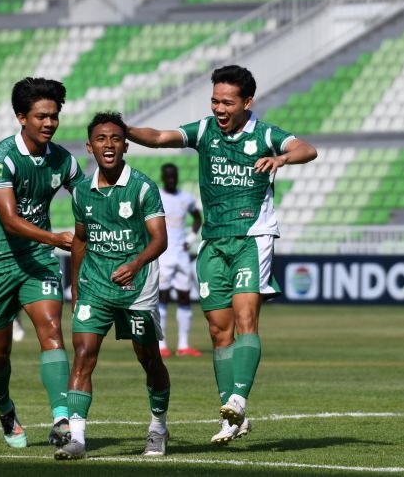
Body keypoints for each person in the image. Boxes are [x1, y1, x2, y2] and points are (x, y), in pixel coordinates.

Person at [127, 65, 317, 445]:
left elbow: (306, 149)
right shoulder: (205, 131)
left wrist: (280, 159)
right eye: (215, 100)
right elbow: (161, 137)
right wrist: (124, 130)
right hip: (213, 242)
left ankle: (239, 400)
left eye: (227, 102)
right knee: (218, 331)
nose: (218, 108)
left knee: (246, 319)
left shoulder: (265, 135)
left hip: (252, 237)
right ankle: (233, 419)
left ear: (247, 102)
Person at [0, 77, 84, 449]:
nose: (49, 123)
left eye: (54, 116)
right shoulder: (0, 159)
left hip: (38, 260)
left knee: (52, 330)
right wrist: (57, 238)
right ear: (22, 117)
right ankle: (5, 408)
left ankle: (62, 420)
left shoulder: (64, 160)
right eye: (41, 116)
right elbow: (9, 220)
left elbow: (89, 199)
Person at [55, 111, 170, 460]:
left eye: (116, 138)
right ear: (90, 147)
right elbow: (80, 240)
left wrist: (135, 264)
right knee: (83, 355)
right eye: (101, 139)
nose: (109, 145)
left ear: (126, 146)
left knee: (148, 358)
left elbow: (159, 240)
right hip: (94, 285)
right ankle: (77, 439)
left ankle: (158, 428)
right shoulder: (81, 192)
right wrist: (76, 288)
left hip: (138, 287)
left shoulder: (143, 187)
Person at [157, 163, 203, 358]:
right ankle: (161, 345)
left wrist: (190, 240)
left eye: (173, 176)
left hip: (181, 255)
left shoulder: (186, 198)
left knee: (184, 297)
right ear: (162, 177)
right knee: (162, 297)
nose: (171, 179)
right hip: (163, 255)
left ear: (177, 176)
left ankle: (184, 345)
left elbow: (198, 218)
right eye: (168, 176)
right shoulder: (157, 197)